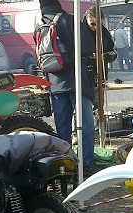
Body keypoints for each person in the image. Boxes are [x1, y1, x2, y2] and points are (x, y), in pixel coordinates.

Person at [38, 0, 103, 175]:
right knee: (85, 124)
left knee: (62, 127)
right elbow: (88, 47)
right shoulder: (68, 19)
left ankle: (65, 164)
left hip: (54, 80)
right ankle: (86, 164)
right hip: (76, 80)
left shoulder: (40, 23)